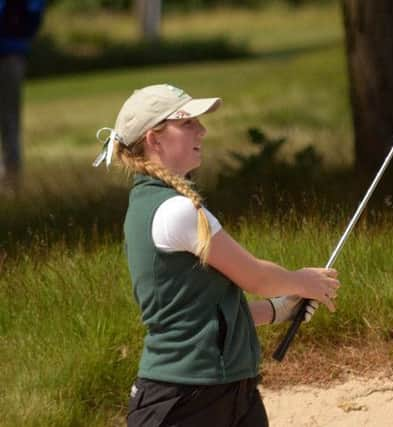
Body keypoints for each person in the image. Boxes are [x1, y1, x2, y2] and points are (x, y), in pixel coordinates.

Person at [93, 84, 340, 427]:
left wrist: (278, 310)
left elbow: (204, 313)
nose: (202, 130)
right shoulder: (175, 210)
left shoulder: (162, 205)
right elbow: (256, 278)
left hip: (225, 392)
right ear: (155, 139)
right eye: (188, 123)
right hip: (184, 397)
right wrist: (302, 281)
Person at [0, 0, 46, 193]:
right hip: (12, 49)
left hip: (9, 51)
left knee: (9, 120)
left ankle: (11, 184)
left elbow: (33, 12)